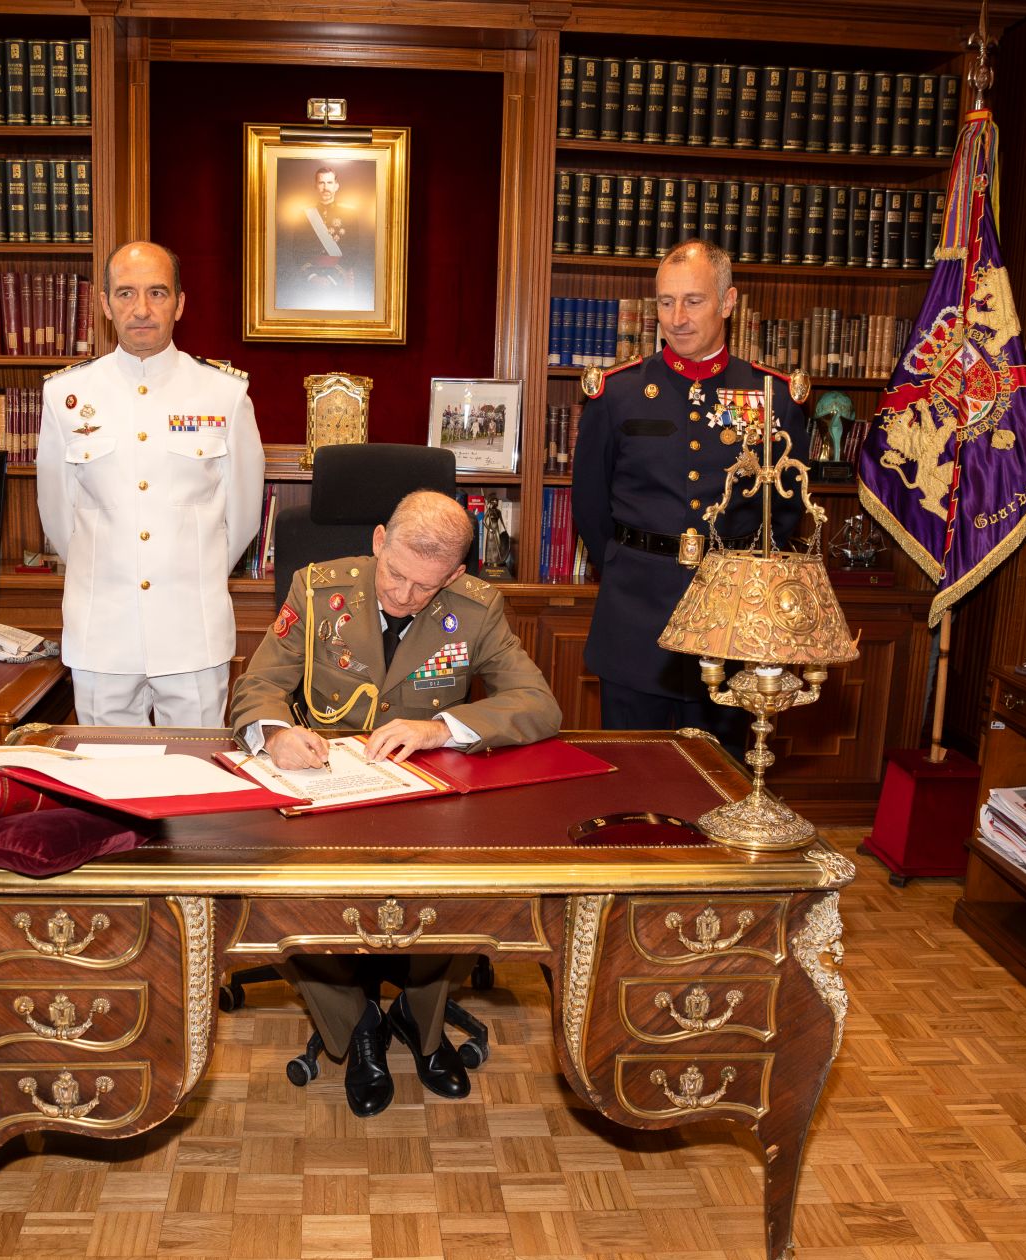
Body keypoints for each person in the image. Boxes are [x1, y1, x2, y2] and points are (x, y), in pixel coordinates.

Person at [229, 490, 561, 1117]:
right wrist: (274, 733)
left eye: (425, 587)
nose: (405, 596)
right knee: (286, 895)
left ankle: (421, 1019)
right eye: (396, 576)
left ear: (456, 575)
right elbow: (259, 683)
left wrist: (443, 727)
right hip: (325, 789)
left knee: (455, 886)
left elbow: (539, 705)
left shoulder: (477, 610)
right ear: (379, 540)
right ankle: (353, 1029)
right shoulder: (317, 587)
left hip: (425, 796)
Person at [572, 239, 808, 739]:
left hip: (731, 621)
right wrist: (625, 564)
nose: (676, 318)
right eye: (664, 302)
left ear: (728, 303)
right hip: (636, 616)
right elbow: (590, 505)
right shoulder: (617, 393)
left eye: (693, 301)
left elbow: (783, 515)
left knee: (722, 784)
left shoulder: (773, 396)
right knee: (632, 778)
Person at [36, 241, 266, 726]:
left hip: (192, 633)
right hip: (102, 633)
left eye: (157, 292)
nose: (141, 309)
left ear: (180, 303)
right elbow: (59, 519)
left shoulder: (225, 394)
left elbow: (242, 519)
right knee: (107, 789)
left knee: (196, 781)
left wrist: (187, 573)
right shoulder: (65, 396)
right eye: (125, 293)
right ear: (104, 304)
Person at [279, 162, 373, 311]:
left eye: (329, 182)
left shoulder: (350, 213)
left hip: (339, 278)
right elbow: (297, 250)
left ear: (336, 185)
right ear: (315, 186)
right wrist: (312, 277)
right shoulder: (304, 213)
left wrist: (332, 278)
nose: (325, 187)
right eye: (321, 183)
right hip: (309, 279)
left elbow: (353, 250)